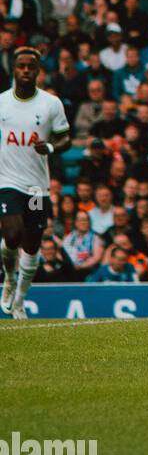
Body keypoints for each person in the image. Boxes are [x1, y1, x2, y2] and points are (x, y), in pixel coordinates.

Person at [0, 47, 70, 319]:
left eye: (31, 66)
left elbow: (66, 138)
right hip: (7, 180)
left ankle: (19, 302)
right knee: (12, 235)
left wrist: (51, 147)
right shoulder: (2, 102)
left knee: (31, 245)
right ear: (14, 70)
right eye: (21, 66)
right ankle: (8, 277)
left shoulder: (51, 104)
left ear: (38, 71)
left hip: (37, 186)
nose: (26, 70)